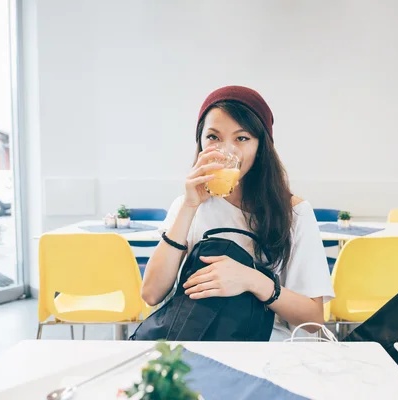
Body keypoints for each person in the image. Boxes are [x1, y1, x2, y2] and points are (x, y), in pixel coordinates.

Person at [141, 85, 334, 339]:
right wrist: (189, 207)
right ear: (200, 141)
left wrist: (252, 280)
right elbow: (151, 294)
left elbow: (313, 320)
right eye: (213, 137)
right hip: (195, 343)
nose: (227, 150)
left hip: (265, 349)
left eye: (242, 138)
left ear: (261, 145)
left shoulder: (294, 213)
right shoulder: (187, 205)